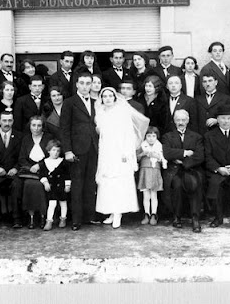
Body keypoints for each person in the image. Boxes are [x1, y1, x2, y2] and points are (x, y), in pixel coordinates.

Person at [95, 87, 149, 229]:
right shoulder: (100, 113)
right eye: (104, 96)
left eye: (110, 96)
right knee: (107, 182)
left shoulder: (122, 113)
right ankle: (111, 212)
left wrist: (126, 153)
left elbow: (128, 134)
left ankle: (118, 213)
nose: (107, 99)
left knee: (119, 182)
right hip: (106, 152)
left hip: (120, 153)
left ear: (115, 97)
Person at [60, 71, 99, 231]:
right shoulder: (70, 102)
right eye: (81, 83)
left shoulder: (96, 102)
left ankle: (89, 216)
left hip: (94, 148)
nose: (85, 86)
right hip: (77, 150)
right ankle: (76, 219)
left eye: (88, 83)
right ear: (76, 84)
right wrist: (68, 150)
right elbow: (64, 129)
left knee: (90, 183)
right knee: (77, 184)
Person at [161, 109, 204, 232]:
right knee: (178, 186)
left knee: (195, 185)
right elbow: (167, 153)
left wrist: (183, 161)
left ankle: (195, 218)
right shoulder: (168, 136)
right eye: (178, 120)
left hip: (192, 169)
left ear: (188, 121)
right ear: (174, 121)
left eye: (183, 120)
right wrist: (185, 152)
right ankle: (177, 216)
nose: (181, 122)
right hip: (175, 170)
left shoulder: (196, 137)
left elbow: (199, 155)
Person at [0, 110, 23, 229]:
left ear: (13, 121)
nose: (7, 123)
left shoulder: (20, 137)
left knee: (17, 184)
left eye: (10, 120)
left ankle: (16, 218)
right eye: (4, 120)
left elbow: (22, 156)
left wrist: (16, 168)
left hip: (12, 170)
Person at [17, 115, 53, 229]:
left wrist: (40, 165)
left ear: (43, 126)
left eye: (39, 125)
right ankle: (31, 216)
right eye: (33, 125)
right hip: (30, 172)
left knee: (40, 184)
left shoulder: (48, 138)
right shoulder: (26, 139)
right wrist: (30, 167)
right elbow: (21, 158)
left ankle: (43, 215)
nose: (36, 128)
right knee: (29, 184)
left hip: (45, 169)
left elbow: (53, 155)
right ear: (30, 126)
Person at [137, 127, 167, 226]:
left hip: (155, 171)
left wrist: (157, 156)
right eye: (149, 136)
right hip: (145, 170)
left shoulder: (159, 147)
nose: (151, 138)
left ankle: (154, 214)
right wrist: (143, 154)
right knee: (146, 195)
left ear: (156, 137)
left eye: (153, 136)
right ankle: (146, 213)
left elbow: (162, 159)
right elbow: (136, 158)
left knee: (154, 195)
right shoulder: (142, 146)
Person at [38, 140, 71, 231]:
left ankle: (63, 218)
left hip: (61, 186)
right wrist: (45, 182)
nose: (55, 153)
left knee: (63, 203)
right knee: (52, 204)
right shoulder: (44, 162)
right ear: (48, 151)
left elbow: (67, 175)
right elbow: (42, 174)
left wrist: (67, 185)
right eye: (53, 150)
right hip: (52, 186)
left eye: (57, 151)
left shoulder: (63, 162)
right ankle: (49, 221)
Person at [195, 71, 230, 135]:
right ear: (202, 84)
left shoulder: (225, 98)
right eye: (205, 81)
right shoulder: (197, 99)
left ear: (216, 82)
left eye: (210, 81)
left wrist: (217, 121)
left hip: (218, 134)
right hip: (201, 134)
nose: (207, 84)